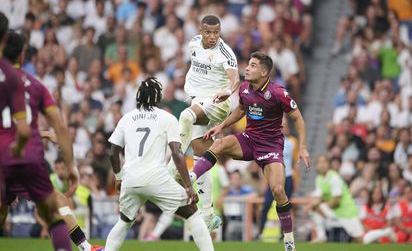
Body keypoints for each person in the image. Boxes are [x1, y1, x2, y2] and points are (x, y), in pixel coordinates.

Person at [190, 52, 311, 251]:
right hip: (249, 140)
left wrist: (303, 147)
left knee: (278, 190)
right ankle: (190, 177)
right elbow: (240, 110)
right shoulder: (245, 88)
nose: (247, 68)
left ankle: (289, 240)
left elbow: (298, 118)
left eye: (253, 66)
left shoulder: (279, 93)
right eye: (248, 65)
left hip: (271, 147)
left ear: (264, 71)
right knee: (219, 144)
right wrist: (221, 126)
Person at [0, 31, 100, 251]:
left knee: (3, 209)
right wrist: (69, 164)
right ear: (23, 55)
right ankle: (84, 246)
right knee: (56, 207)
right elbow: (60, 127)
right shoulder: (35, 85)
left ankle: (86, 246)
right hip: (26, 157)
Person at [104, 77, 213, 251]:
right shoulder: (167, 118)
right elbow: (177, 153)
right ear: (158, 97)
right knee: (192, 213)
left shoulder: (126, 118)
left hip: (130, 179)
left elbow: (113, 152)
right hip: (156, 178)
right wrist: (188, 186)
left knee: (124, 222)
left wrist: (118, 178)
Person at [168, 14, 240, 230]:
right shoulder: (193, 44)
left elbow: (235, 78)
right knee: (202, 156)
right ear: (201, 31)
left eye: (216, 32)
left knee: (185, 116)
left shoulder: (225, 52)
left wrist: (228, 91)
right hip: (198, 100)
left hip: (218, 102)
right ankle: (208, 215)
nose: (212, 37)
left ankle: (173, 168)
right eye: (208, 32)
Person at [309, 155, 364, 243]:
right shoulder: (319, 179)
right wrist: (313, 204)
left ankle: (384, 233)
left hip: (347, 212)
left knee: (361, 240)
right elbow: (319, 197)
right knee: (313, 208)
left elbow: (336, 201)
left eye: (324, 162)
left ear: (329, 165)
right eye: (319, 162)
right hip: (334, 212)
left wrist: (319, 204)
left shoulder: (334, 178)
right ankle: (321, 236)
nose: (321, 165)